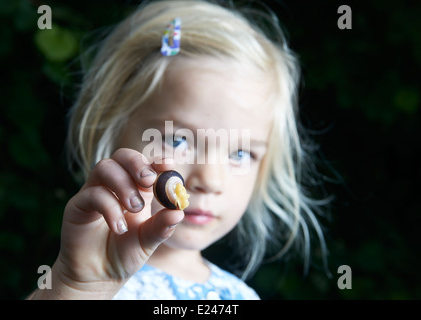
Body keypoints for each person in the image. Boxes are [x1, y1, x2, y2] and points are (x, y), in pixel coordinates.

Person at [28, 0, 329, 300]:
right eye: (178, 141)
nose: (209, 181)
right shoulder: (85, 281)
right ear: (108, 127)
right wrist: (78, 287)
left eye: (240, 154)